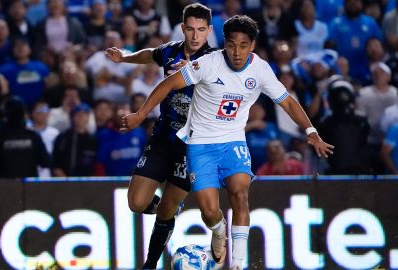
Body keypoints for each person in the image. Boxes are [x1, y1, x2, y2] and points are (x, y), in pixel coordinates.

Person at [121, 15, 334, 270]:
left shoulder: (261, 69)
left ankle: (237, 265)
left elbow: (287, 101)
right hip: (199, 144)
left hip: (233, 141)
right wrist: (141, 114)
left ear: (252, 45)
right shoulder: (207, 64)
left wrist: (311, 131)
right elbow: (168, 83)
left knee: (239, 193)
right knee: (210, 212)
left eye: (243, 46)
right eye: (231, 45)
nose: (236, 52)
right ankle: (218, 229)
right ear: (224, 45)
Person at [105, 3, 215, 269]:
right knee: (136, 202)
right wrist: (125, 57)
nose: (195, 35)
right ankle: (168, 208)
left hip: (193, 147)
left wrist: (196, 74)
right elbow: (150, 55)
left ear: (209, 31)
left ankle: (150, 264)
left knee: (166, 209)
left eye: (201, 30)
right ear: (182, 29)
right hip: (163, 139)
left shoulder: (215, 61)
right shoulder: (170, 52)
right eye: (190, 29)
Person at [0, 97, 51, 179]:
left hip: (5, 187)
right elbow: (46, 161)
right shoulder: (32, 136)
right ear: (23, 114)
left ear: (6, 115)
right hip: (29, 187)